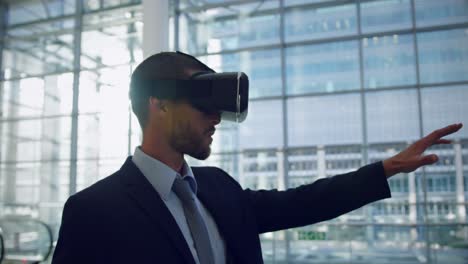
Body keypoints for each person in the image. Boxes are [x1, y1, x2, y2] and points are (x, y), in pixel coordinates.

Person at [52, 51, 463, 264]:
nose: (216, 118)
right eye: (203, 107)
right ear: (159, 105)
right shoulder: (93, 211)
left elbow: (304, 202)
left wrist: (385, 169)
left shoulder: (218, 188)